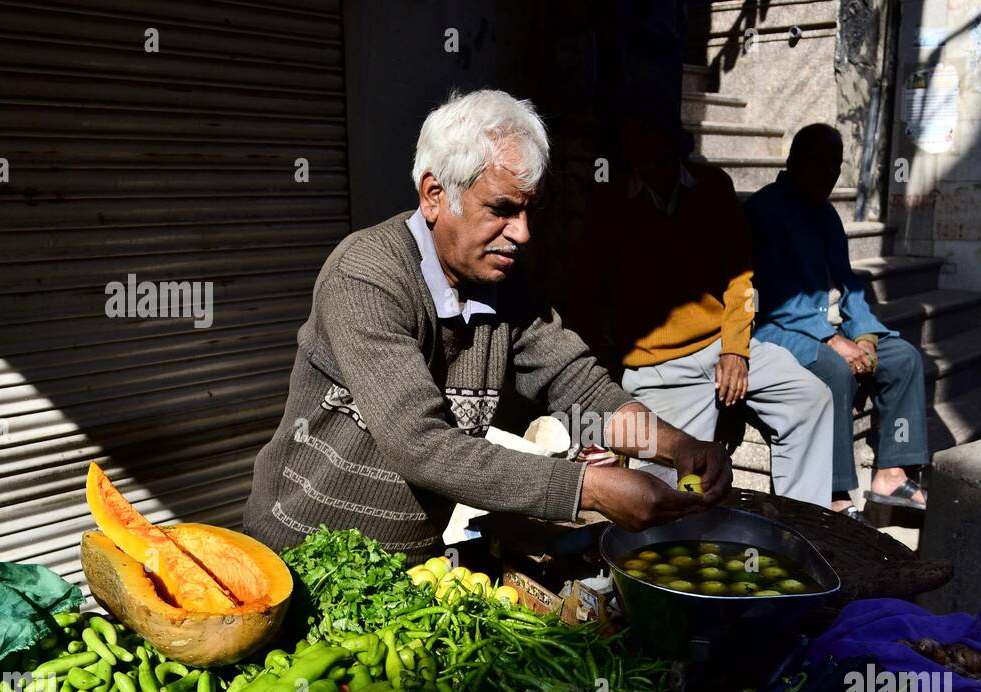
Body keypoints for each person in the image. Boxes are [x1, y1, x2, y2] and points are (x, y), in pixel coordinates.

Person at [243, 90, 732, 561]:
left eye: (530, 210)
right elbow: (421, 444)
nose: (522, 232)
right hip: (298, 557)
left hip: (411, 569)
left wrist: (677, 446)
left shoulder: (507, 287)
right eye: (502, 209)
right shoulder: (366, 275)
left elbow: (580, 389)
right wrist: (590, 490)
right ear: (435, 195)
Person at [570, 110, 836, 508]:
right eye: (640, 142)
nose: (651, 152)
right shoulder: (609, 200)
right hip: (658, 369)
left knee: (811, 398)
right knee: (666, 497)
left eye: (662, 140)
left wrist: (735, 349)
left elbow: (741, 279)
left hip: (719, 344)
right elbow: (589, 293)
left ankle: (799, 525)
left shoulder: (712, 187)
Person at [745, 123, 928, 521]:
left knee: (904, 358)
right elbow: (775, 297)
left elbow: (848, 280)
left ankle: (890, 474)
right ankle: (834, 492)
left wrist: (864, 335)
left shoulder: (825, 214)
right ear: (793, 162)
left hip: (822, 326)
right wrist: (831, 341)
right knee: (834, 371)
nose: (830, 172)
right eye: (820, 162)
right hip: (775, 327)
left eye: (836, 164)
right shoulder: (764, 209)